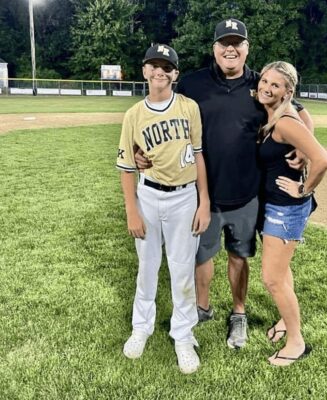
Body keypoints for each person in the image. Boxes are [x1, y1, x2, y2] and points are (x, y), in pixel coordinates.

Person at [136, 19, 313, 350]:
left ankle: (239, 312)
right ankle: (202, 308)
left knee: (238, 256)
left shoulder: (261, 84)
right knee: (201, 257)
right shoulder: (192, 84)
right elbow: (158, 113)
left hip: (246, 194)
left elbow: (298, 112)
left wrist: (305, 146)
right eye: (223, 43)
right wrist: (138, 150)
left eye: (237, 43)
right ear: (214, 48)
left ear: (247, 48)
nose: (230, 48)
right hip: (200, 194)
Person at [116, 44, 210, 374]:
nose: (159, 71)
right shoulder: (133, 115)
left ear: (175, 74)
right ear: (144, 71)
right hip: (148, 197)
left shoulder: (189, 107)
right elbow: (127, 166)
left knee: (182, 269)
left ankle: (183, 335)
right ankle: (141, 326)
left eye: (166, 66)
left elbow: (199, 155)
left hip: (185, 198)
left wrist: (205, 202)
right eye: (153, 65)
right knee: (147, 266)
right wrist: (131, 210)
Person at [256, 61, 327, 366]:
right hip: (273, 204)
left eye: (276, 85)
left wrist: (304, 189)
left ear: (288, 91)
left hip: (285, 208)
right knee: (282, 272)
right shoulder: (280, 111)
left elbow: (323, 159)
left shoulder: (285, 121)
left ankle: (296, 342)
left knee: (272, 279)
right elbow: (304, 113)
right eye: (264, 81)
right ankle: (286, 322)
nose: (267, 88)